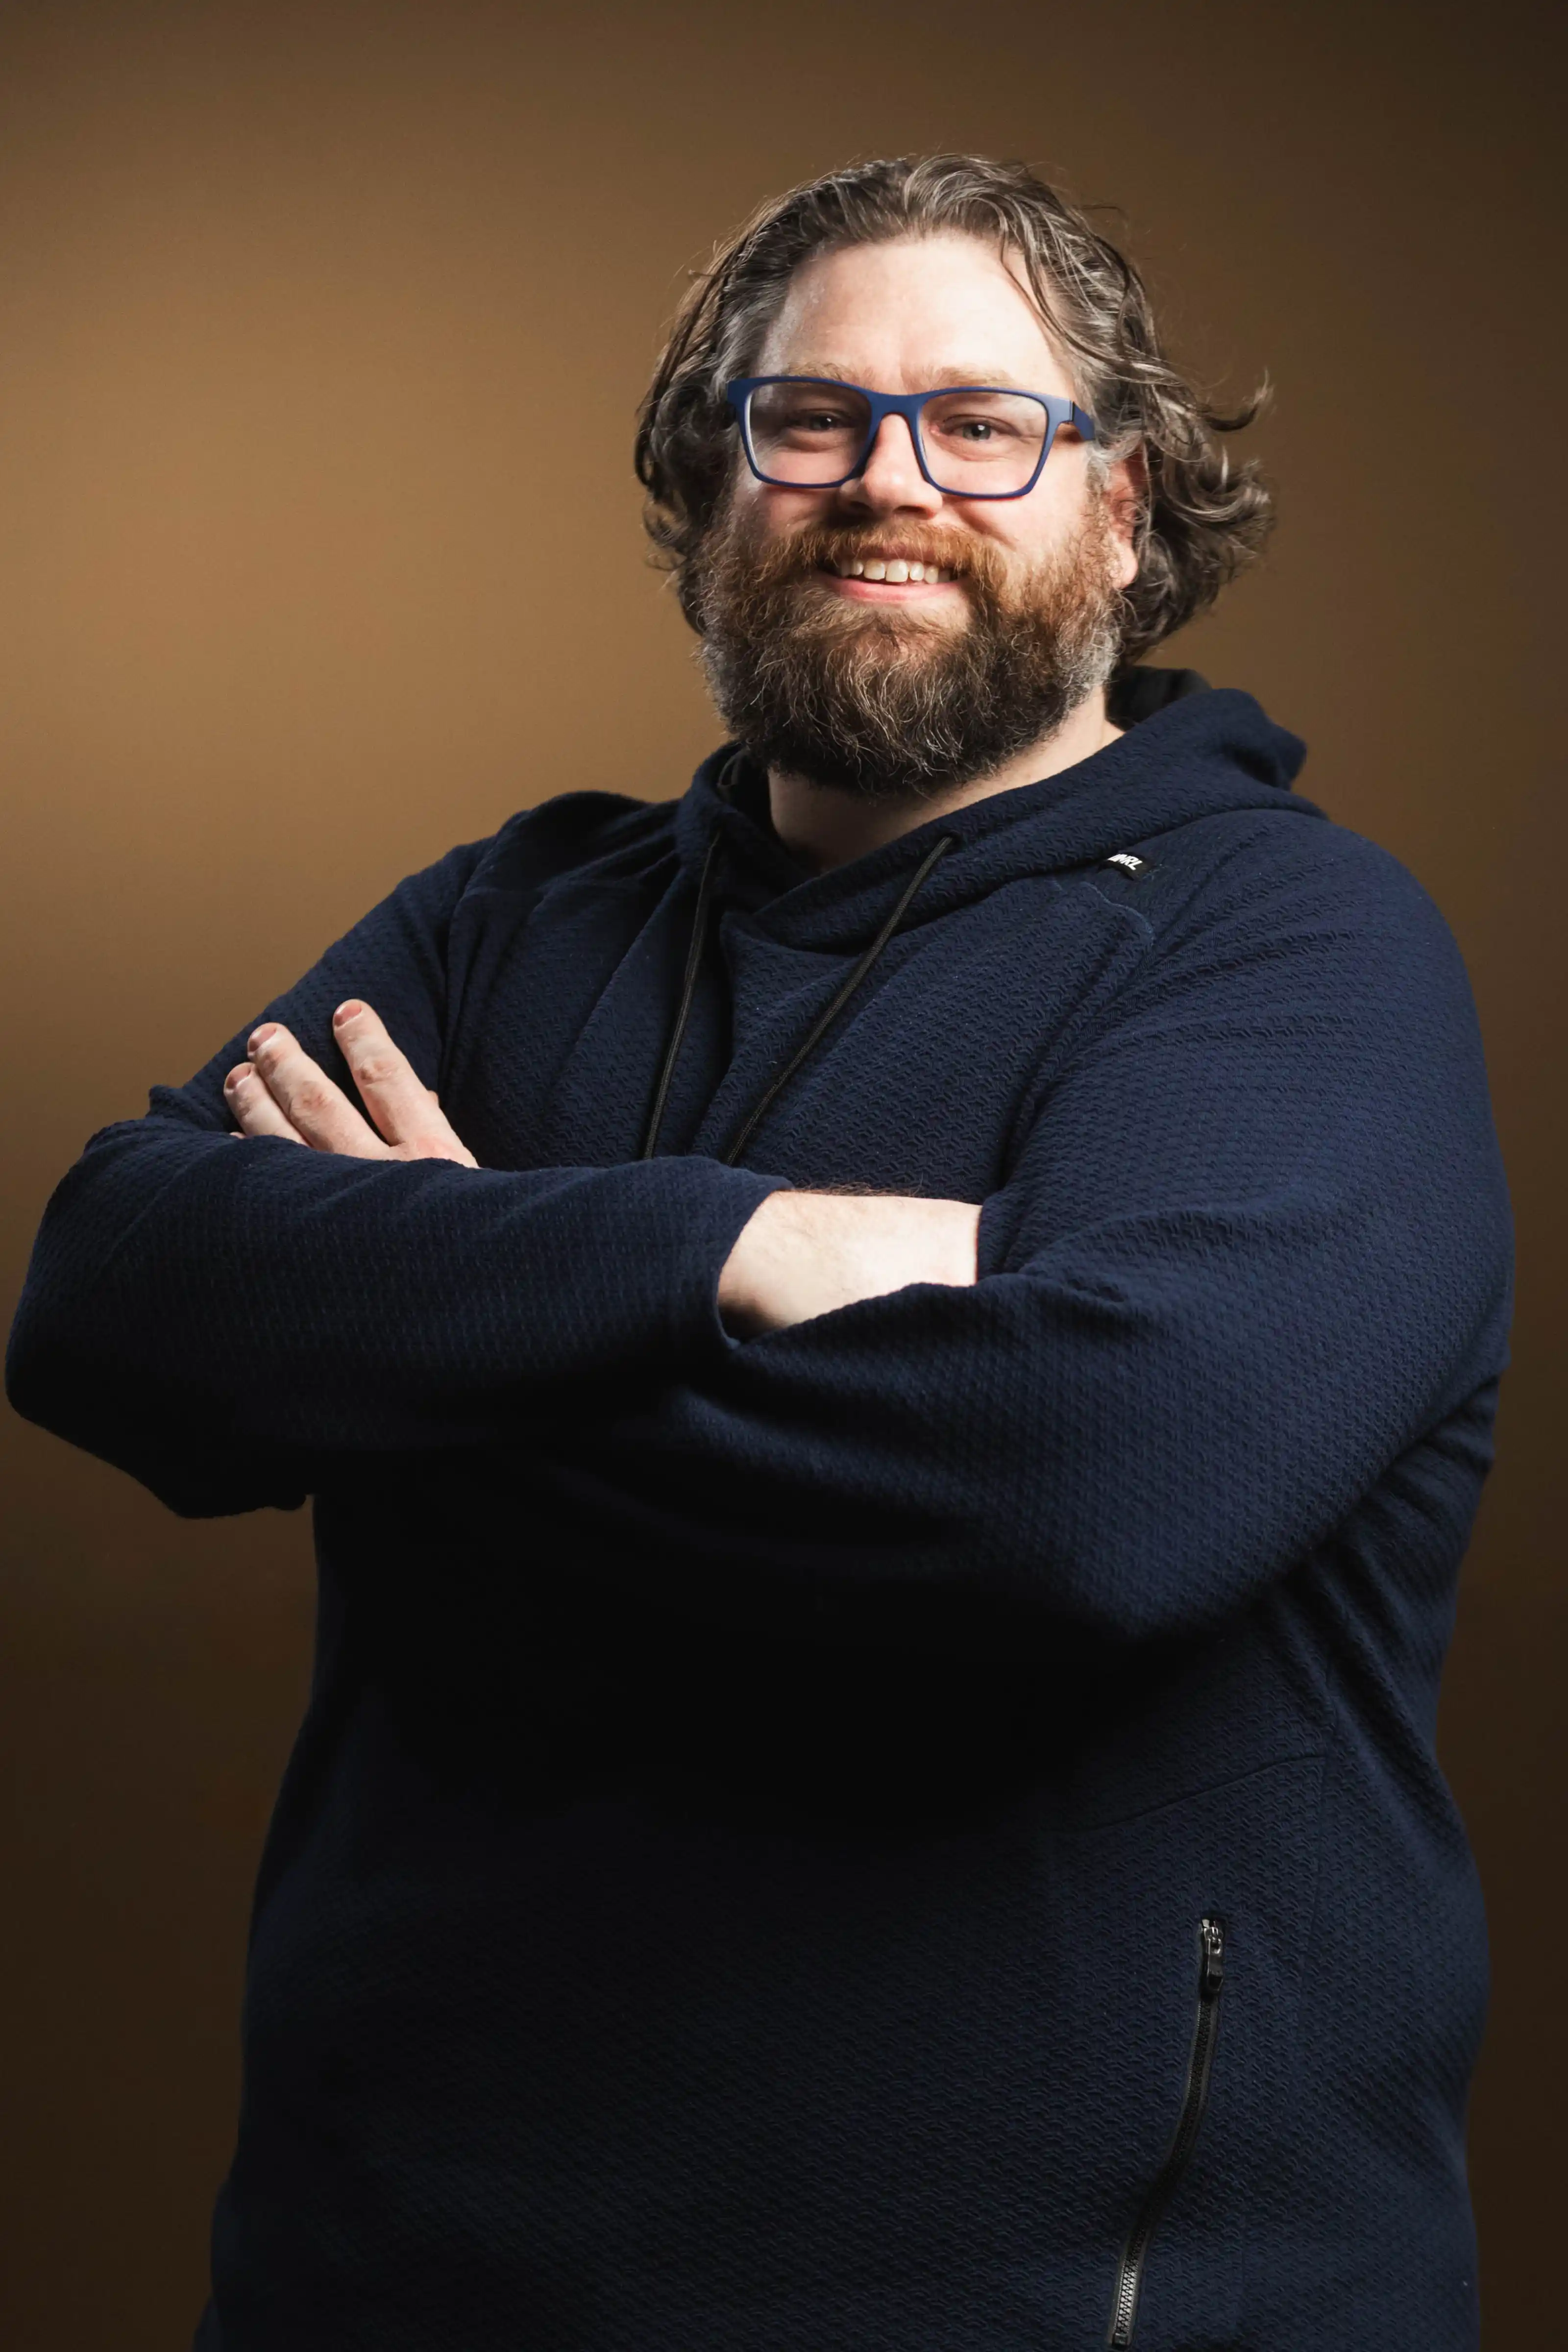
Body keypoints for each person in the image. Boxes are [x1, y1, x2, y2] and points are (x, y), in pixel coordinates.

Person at [7, 154, 1511, 2350]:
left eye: (981, 422)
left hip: (1056, 2301)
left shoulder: (1292, 949)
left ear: (1126, 508)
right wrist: (752, 1249)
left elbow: (1088, 1494)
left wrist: (433, 1317)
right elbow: (108, 1295)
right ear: (707, 489)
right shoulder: (506, 918)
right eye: (802, 419)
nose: (881, 482)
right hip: (397, 2278)